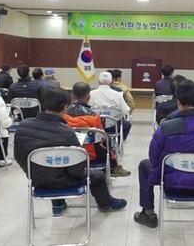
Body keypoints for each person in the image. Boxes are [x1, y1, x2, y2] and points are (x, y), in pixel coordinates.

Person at [13, 87, 127, 215]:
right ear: (65, 106)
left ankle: (58, 205)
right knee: (97, 175)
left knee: (53, 168)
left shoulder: (23, 127)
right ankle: (105, 204)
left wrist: (33, 172)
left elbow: (18, 156)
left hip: (36, 179)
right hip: (62, 180)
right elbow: (76, 170)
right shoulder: (68, 133)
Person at [133, 80, 194, 228]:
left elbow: (154, 158)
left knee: (144, 165)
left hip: (173, 184)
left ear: (178, 102)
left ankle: (148, 213)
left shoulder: (165, 127)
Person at [63, 82, 131, 177]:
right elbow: (102, 138)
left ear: (72, 96)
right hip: (91, 154)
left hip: (68, 152)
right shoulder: (93, 116)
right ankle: (113, 167)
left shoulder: (63, 115)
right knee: (107, 141)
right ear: (88, 97)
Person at [89, 71, 132, 140]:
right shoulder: (118, 94)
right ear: (111, 82)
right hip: (113, 126)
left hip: (95, 126)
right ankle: (116, 144)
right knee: (127, 124)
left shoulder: (91, 94)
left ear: (99, 81)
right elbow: (125, 111)